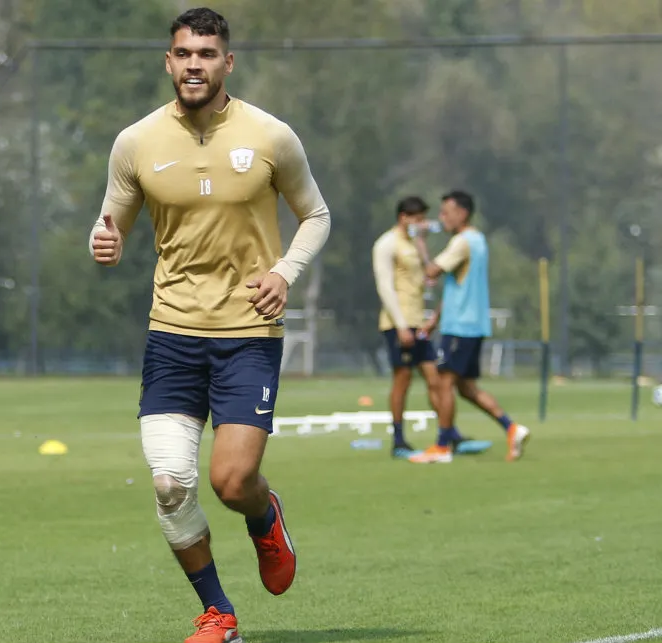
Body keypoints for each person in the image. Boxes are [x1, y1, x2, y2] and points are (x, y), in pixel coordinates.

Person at [89, 7, 331, 642]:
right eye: (183, 53)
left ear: (228, 61)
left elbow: (316, 215)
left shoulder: (271, 135)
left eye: (206, 54)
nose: (194, 64)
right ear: (168, 62)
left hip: (248, 333)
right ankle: (219, 614)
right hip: (171, 333)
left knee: (231, 481)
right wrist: (104, 241)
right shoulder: (135, 141)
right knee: (170, 484)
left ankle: (265, 516)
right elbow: (111, 221)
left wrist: (284, 272)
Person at [407, 191, 530, 464]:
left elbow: (431, 272)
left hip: (460, 326)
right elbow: (457, 287)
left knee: (443, 383)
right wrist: (435, 319)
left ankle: (442, 447)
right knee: (466, 388)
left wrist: (420, 242)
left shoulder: (462, 242)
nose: (442, 218)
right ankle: (512, 428)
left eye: (446, 212)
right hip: (473, 324)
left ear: (462, 213)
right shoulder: (479, 240)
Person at [371, 197, 491, 460]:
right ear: (404, 218)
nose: (423, 224)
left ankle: (450, 435)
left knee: (436, 380)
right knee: (403, 380)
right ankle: (399, 441)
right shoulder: (387, 243)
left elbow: (426, 276)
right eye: (418, 219)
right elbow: (385, 286)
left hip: (418, 323)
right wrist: (401, 326)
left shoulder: (414, 243)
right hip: (398, 323)